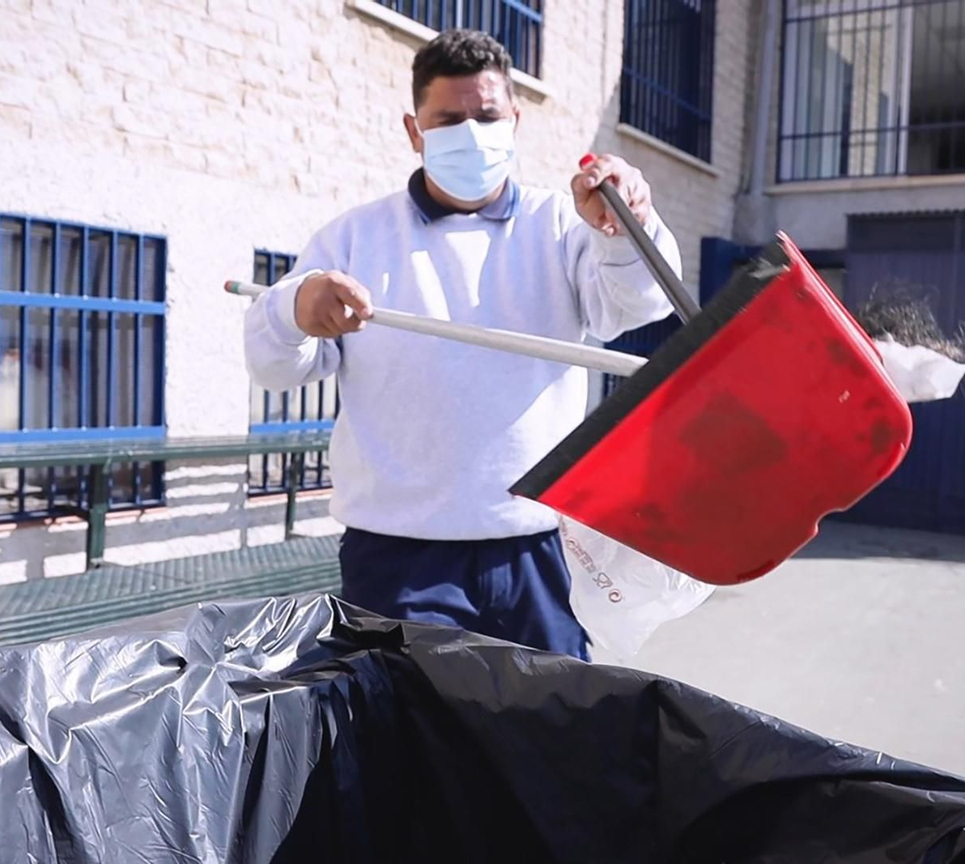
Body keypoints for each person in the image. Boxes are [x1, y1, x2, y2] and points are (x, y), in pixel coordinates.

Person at [242, 29, 680, 661]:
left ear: (515, 120)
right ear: (413, 130)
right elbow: (274, 367)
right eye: (449, 119)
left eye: (487, 116)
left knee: (550, 734)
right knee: (406, 739)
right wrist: (292, 308)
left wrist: (622, 225)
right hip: (397, 554)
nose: (472, 133)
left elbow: (638, 304)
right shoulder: (354, 238)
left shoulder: (561, 224)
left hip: (538, 549)